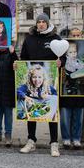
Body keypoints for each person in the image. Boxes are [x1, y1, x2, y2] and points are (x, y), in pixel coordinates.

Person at [18, 13, 61, 157]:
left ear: (48, 23)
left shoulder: (55, 38)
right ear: (36, 24)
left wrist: (61, 63)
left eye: (44, 21)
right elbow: (23, 57)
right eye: (39, 21)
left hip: (46, 79)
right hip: (33, 78)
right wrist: (17, 65)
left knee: (52, 112)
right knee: (31, 111)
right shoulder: (29, 38)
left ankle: (54, 143)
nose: (41, 24)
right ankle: (31, 140)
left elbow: (63, 57)